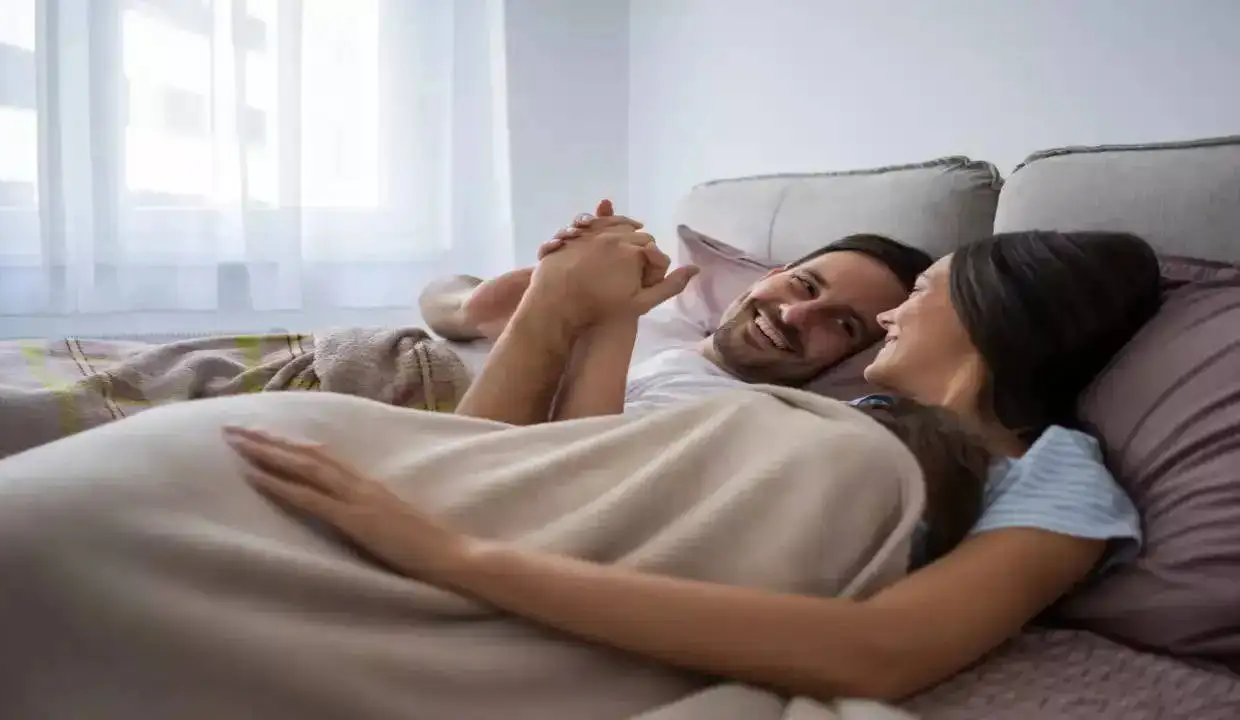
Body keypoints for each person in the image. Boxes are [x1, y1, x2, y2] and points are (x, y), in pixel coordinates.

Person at [225, 222, 1163, 700]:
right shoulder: (850, 406)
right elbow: (588, 469)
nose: (881, 318)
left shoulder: (1058, 473)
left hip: (516, 565)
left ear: (990, 310)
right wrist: (606, 324)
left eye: (914, 293)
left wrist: (457, 557)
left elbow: (884, 650)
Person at [421, 200, 935, 419]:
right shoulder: (662, 322)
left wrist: (589, 318)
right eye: (803, 286)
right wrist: (470, 306)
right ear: (770, 276)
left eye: (842, 325)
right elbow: (433, 299)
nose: (797, 316)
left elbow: (558, 473)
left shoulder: (735, 410)